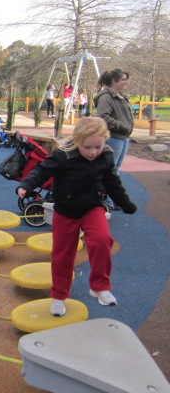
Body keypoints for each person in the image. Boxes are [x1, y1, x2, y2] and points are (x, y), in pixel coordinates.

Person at [16, 117, 137, 317]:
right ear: (77, 141)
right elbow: (42, 171)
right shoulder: (63, 156)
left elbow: (112, 182)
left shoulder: (105, 156)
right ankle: (59, 296)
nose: (93, 152)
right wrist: (26, 185)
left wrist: (126, 204)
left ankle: (99, 287)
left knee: (101, 240)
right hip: (65, 211)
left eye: (98, 146)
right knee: (63, 255)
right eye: (88, 147)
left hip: (92, 207)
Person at [94, 69, 134, 210]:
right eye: (122, 79)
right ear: (113, 81)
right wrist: (122, 126)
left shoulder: (119, 96)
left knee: (115, 169)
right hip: (114, 137)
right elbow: (104, 117)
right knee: (110, 170)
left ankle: (111, 199)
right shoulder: (106, 97)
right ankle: (108, 200)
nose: (125, 82)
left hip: (123, 137)